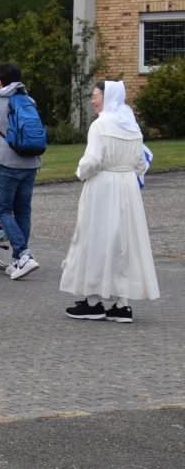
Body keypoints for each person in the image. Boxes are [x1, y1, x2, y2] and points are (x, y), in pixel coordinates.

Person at [60, 81, 159, 322]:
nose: (93, 100)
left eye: (96, 96)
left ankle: (93, 302)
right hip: (128, 188)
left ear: (108, 98)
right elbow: (141, 164)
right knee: (123, 242)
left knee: (96, 238)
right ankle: (122, 305)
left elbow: (92, 161)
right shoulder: (133, 127)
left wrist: (80, 172)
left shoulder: (100, 125)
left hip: (103, 186)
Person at [0, 63, 43, 280]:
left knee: (2, 210)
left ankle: (24, 254)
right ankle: (17, 261)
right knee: (23, 211)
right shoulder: (29, 100)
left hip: (6, 163)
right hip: (31, 162)